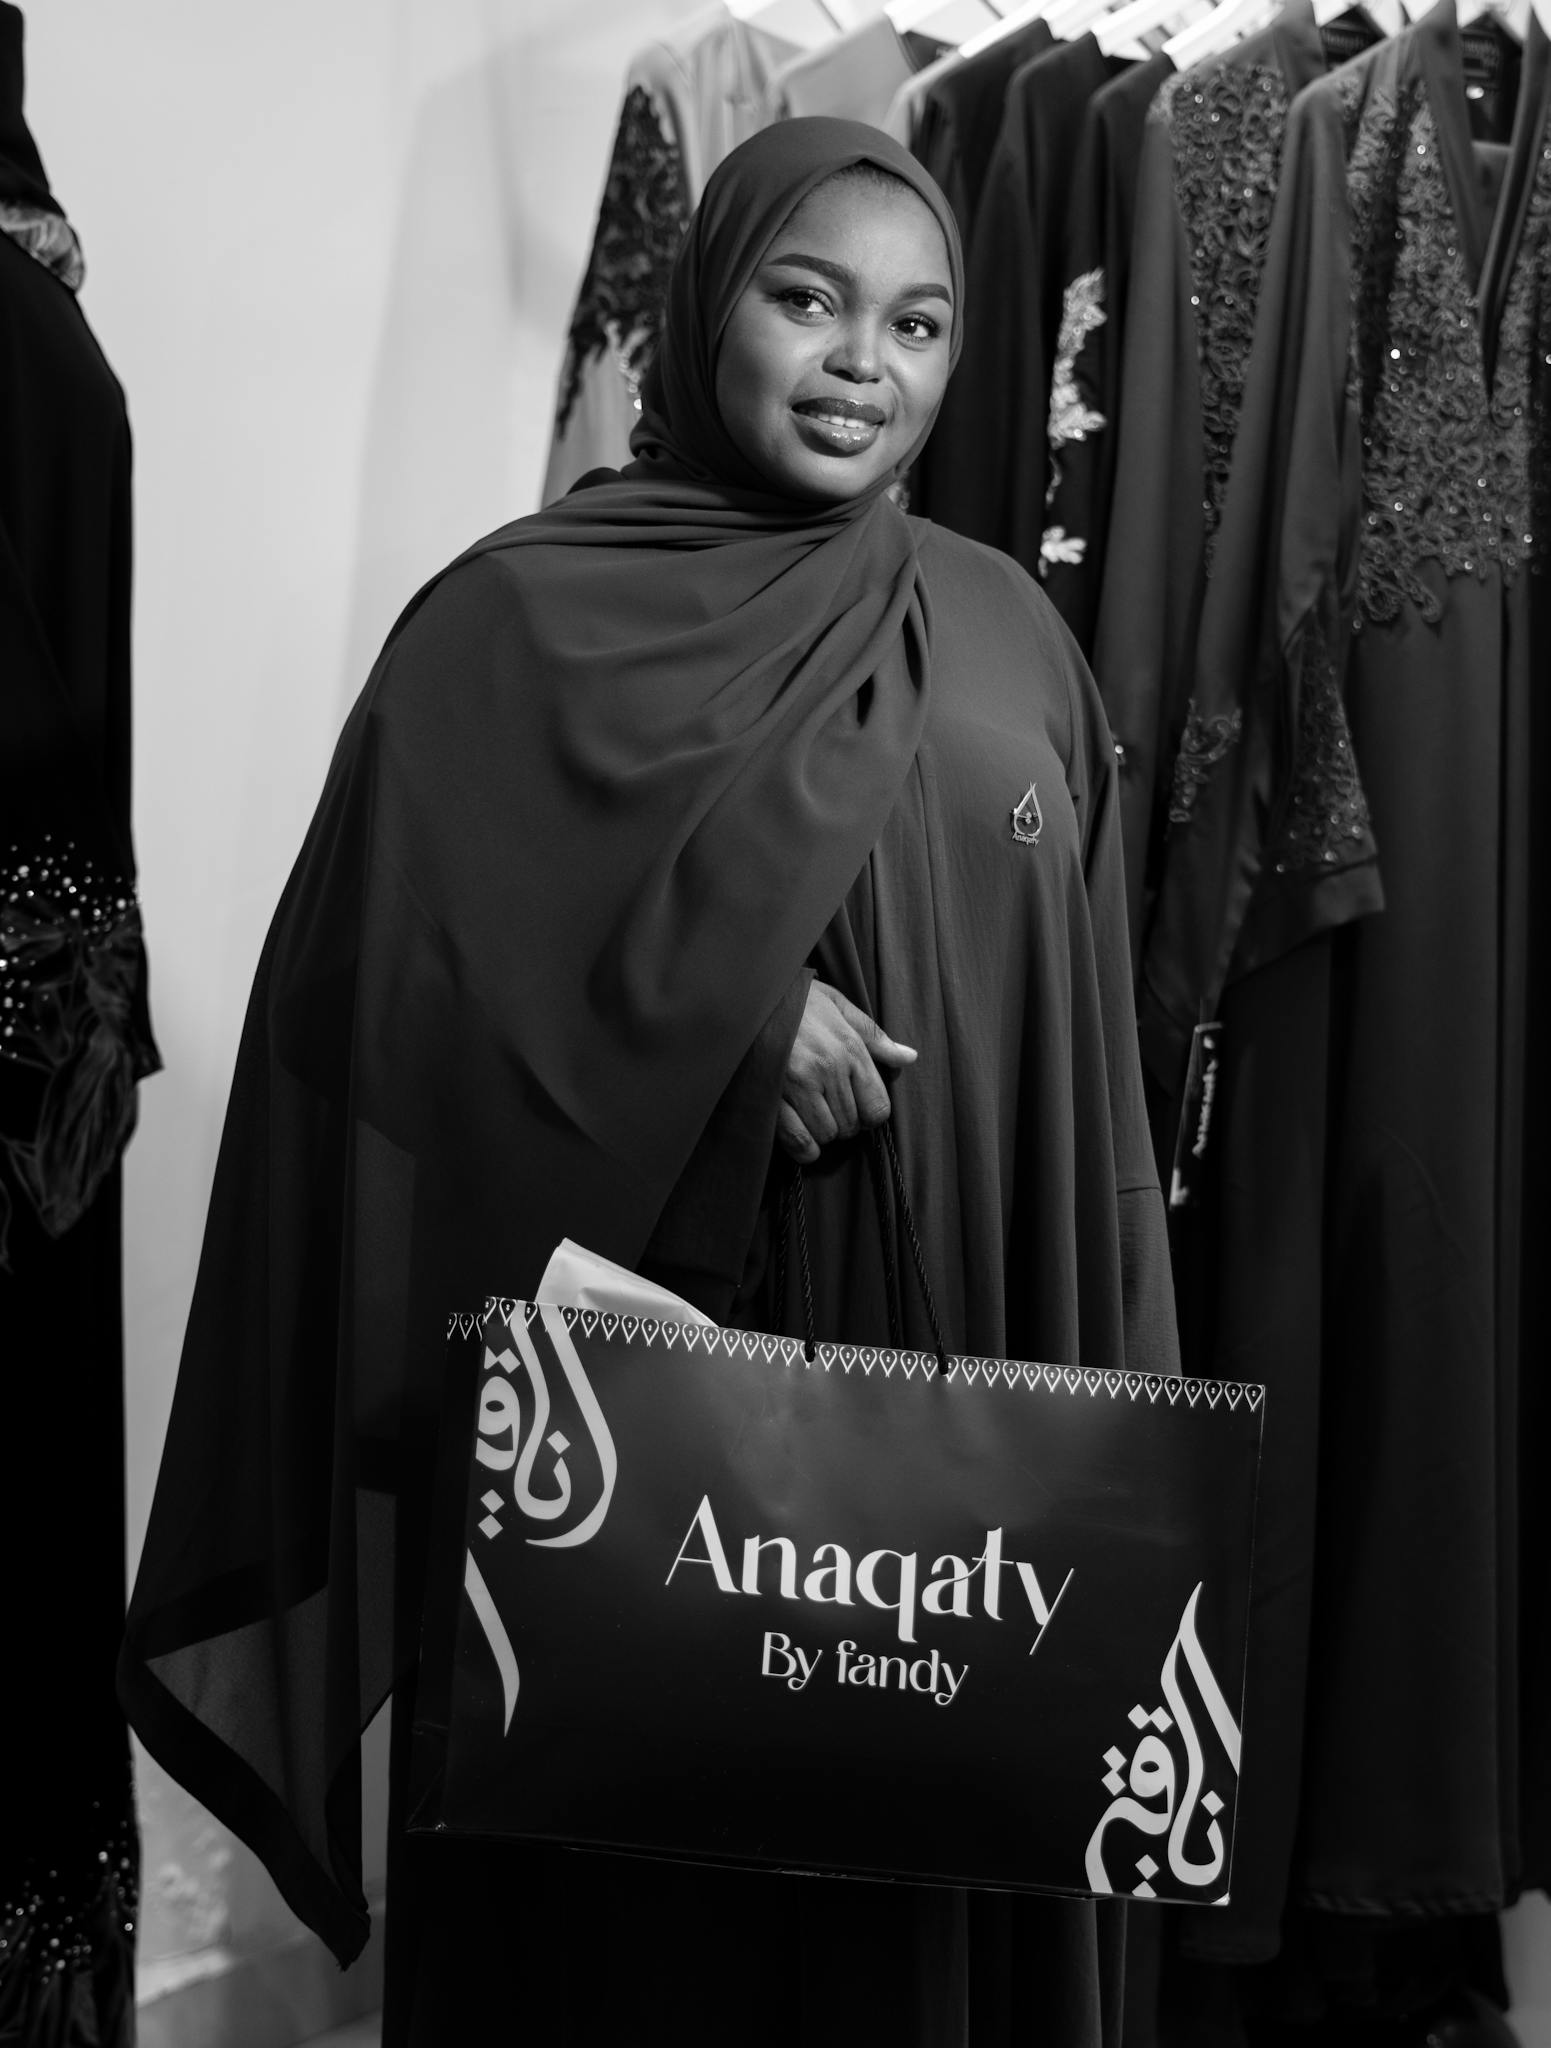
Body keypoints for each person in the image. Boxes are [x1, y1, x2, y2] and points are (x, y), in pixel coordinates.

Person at [119, 117, 1178, 2045]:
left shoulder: (1009, 621)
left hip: (961, 1434)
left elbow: (1084, 1071)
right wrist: (716, 1042)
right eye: (811, 300)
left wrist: (1117, 1414)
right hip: (641, 1434)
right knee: (636, 1960)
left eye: (922, 324)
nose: (869, 363)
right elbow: (387, 1014)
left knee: (908, 1935)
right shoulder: (515, 625)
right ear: (711, 311)